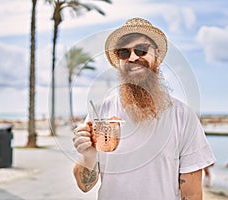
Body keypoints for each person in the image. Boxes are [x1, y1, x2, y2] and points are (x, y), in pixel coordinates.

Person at [72, 17, 216, 200]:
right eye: (123, 53)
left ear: (156, 54)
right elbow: (84, 186)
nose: (132, 57)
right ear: (119, 61)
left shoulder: (183, 116)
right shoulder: (100, 113)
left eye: (141, 49)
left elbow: (193, 194)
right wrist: (88, 156)